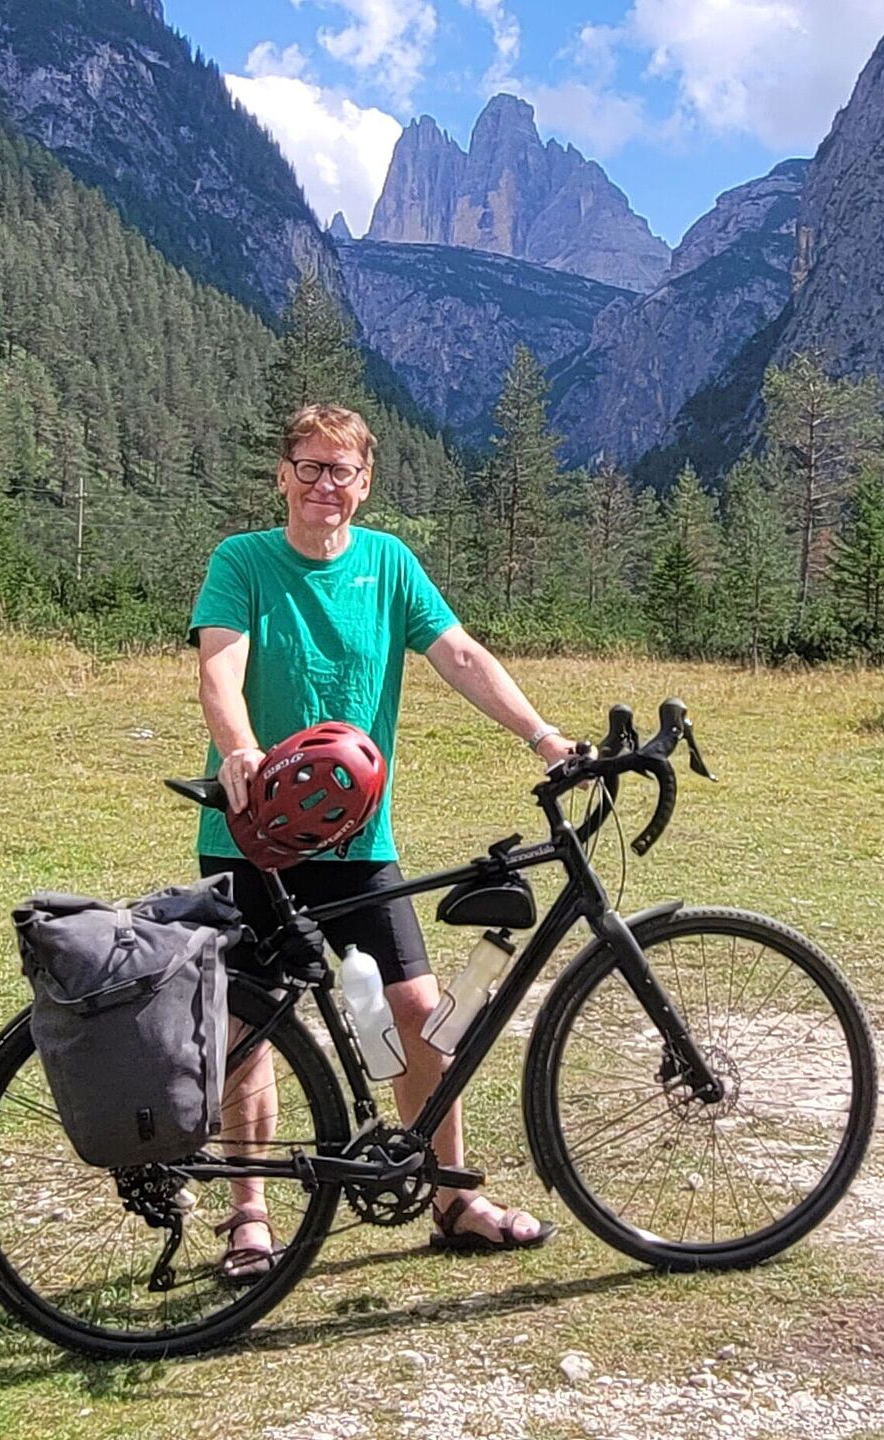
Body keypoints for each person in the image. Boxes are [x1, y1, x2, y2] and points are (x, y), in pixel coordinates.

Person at [190, 403, 585, 1280]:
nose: (325, 484)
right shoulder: (243, 562)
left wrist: (543, 736)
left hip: (359, 843)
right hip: (250, 836)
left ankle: (450, 1196)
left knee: (415, 1009)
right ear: (283, 475)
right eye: (310, 466)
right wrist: (239, 748)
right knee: (248, 1025)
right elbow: (219, 664)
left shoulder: (389, 564)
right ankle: (248, 1216)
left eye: (342, 470)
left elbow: (461, 656)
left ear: (365, 484)